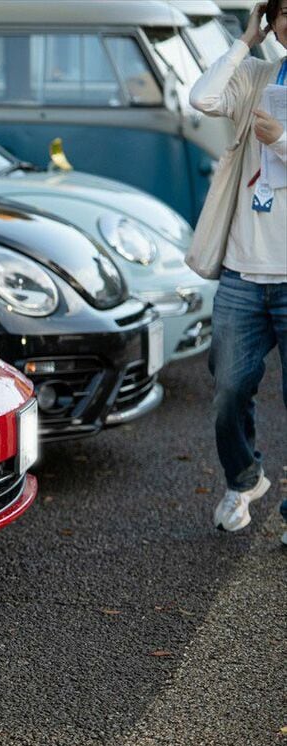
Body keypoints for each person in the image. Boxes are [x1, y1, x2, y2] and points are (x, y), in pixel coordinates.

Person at [189, 0, 287, 544]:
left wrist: (278, 140)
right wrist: (244, 42)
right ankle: (244, 478)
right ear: (271, 18)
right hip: (243, 271)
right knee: (228, 389)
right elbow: (200, 97)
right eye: (284, 11)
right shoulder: (256, 74)